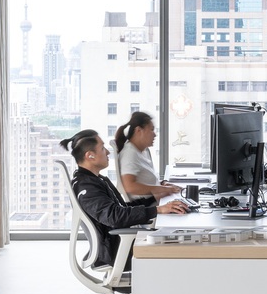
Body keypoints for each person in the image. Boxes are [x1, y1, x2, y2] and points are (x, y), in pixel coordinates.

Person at [65, 128, 186, 268]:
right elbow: (114, 217)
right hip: (118, 251)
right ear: (90, 155)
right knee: (184, 246)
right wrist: (157, 210)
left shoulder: (95, 180)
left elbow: (122, 208)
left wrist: (155, 195)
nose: (108, 152)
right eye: (102, 148)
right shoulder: (87, 188)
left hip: (120, 244)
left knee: (183, 237)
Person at [112, 112, 179, 201]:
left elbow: (145, 181)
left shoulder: (143, 151)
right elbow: (129, 187)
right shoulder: (130, 153)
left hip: (155, 200)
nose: (155, 134)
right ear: (139, 130)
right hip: (147, 205)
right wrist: (164, 189)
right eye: (151, 130)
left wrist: (163, 184)